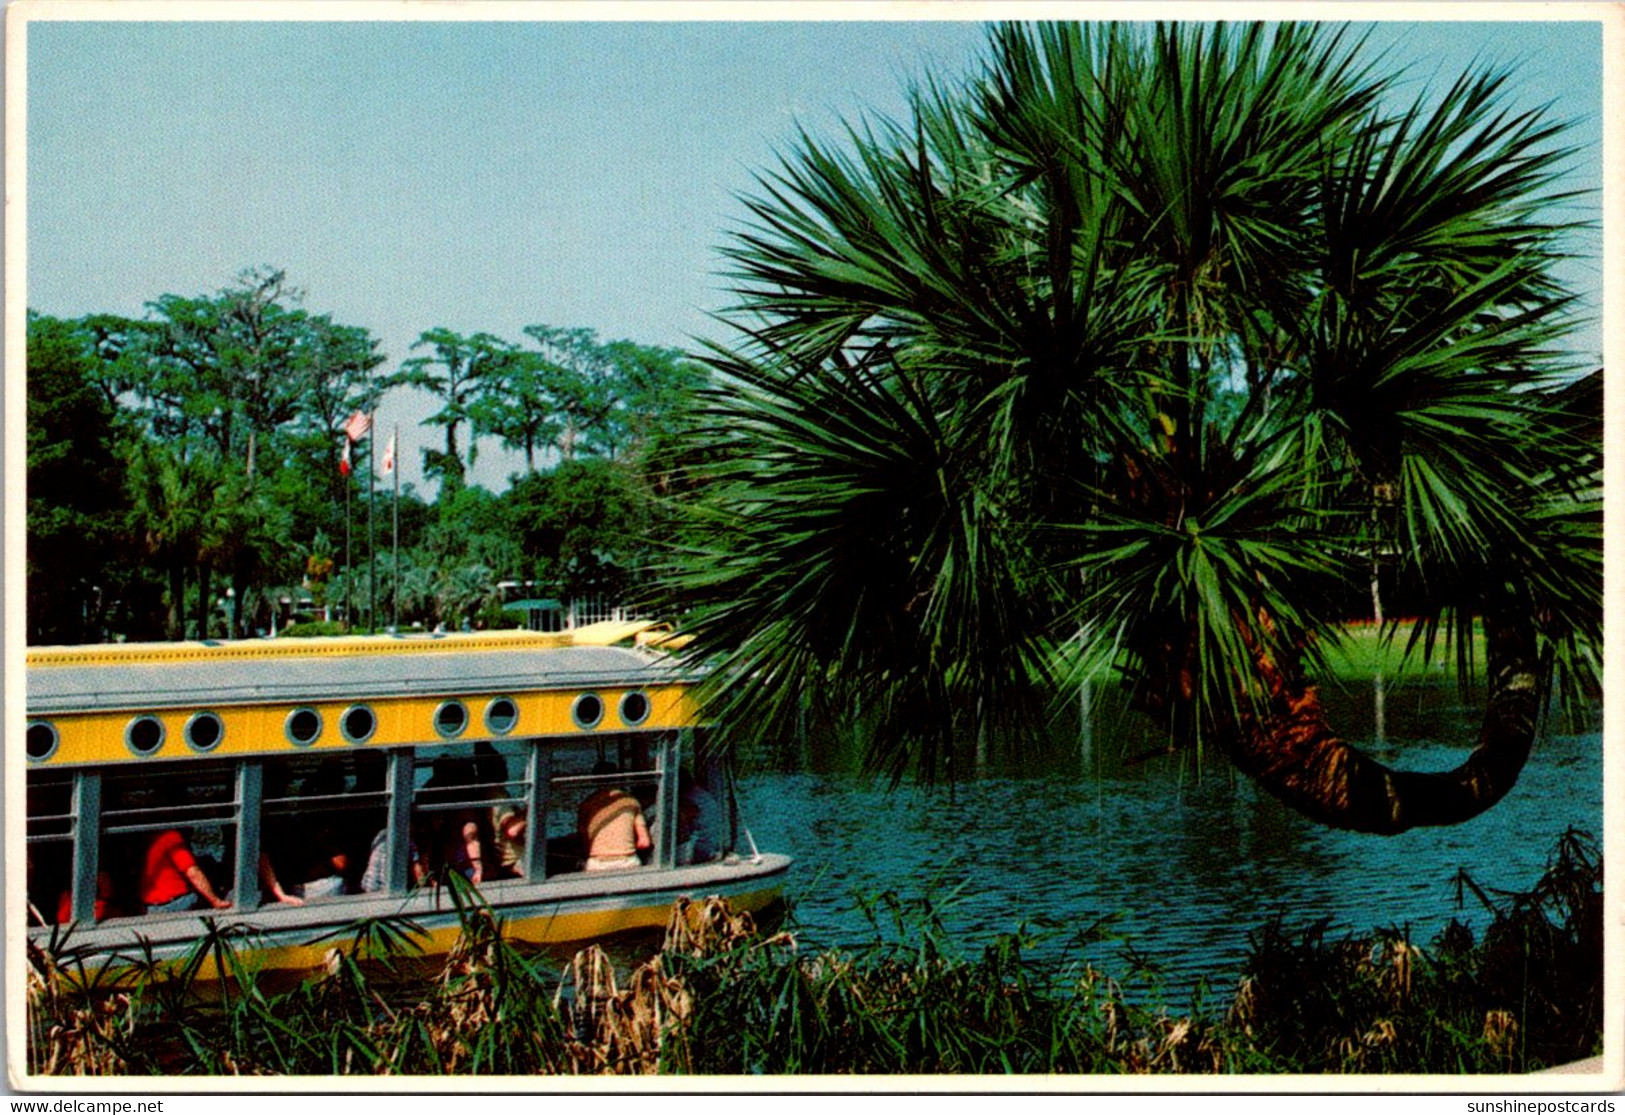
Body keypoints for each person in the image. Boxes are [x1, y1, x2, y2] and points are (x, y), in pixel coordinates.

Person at [577, 762, 651, 871]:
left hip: (598, 864)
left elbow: (584, 841)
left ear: (593, 780)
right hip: (628, 861)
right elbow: (644, 842)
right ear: (617, 778)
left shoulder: (586, 805)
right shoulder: (631, 801)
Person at [141, 828, 230, 913]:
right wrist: (215, 900)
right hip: (175, 903)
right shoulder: (170, 837)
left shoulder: (148, 838)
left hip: (150, 906)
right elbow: (192, 872)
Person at [676, 771, 724, 866]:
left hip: (698, 849)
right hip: (712, 845)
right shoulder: (702, 795)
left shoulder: (689, 801)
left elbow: (680, 827)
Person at [360, 828, 426, 893]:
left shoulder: (381, 835)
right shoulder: (406, 838)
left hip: (369, 884)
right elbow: (418, 872)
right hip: (387, 890)